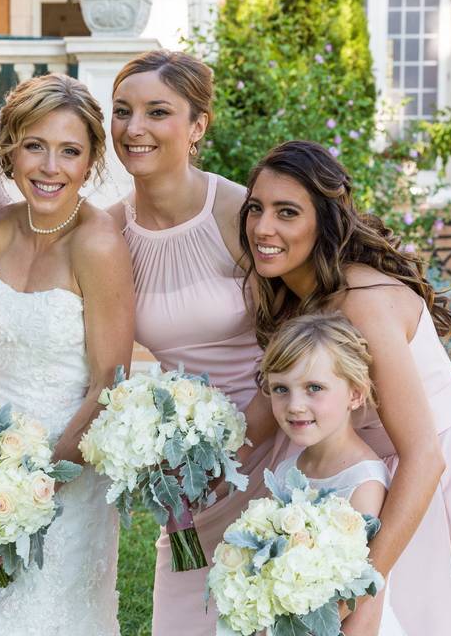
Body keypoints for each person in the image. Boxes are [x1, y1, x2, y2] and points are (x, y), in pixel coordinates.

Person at [241, 139, 451, 634]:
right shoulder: (294, 297)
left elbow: (425, 455)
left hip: (438, 474)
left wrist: (358, 588)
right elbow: (261, 416)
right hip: (374, 473)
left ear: (323, 223)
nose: (263, 227)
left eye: (287, 212)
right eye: (255, 208)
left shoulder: (362, 302)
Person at [0, 73, 134, 636]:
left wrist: (36, 485)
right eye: (36, 146)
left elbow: (109, 383)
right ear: (10, 150)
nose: (50, 167)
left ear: (91, 160)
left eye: (69, 151)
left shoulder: (98, 245)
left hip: (66, 467)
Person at [105, 49, 285, 634]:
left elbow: (295, 341)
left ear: (198, 125)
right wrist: (170, 458)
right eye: (122, 111)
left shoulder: (237, 212)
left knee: (269, 600)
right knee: (187, 608)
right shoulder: (108, 231)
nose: (135, 129)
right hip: (187, 457)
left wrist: (231, 455)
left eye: (158, 112)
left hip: (278, 436)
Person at [262, 313, 405, 635]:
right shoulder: (287, 471)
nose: (295, 405)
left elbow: (365, 597)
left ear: (355, 394)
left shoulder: (364, 483)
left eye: (314, 387)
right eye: (281, 389)